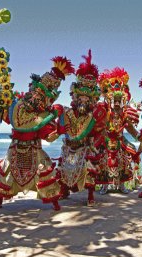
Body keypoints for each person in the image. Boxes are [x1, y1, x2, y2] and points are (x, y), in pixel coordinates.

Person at [0, 56, 74, 211]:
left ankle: (54, 201)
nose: (36, 96)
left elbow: (48, 136)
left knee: (45, 171)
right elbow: (7, 117)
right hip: (15, 148)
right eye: (35, 92)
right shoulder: (17, 106)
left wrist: (60, 129)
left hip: (34, 149)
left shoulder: (45, 115)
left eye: (42, 95)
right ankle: (0, 200)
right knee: (6, 172)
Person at [56, 50, 107, 206]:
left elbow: (100, 131)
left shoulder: (97, 114)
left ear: (92, 98)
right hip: (69, 146)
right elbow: (61, 127)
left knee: (89, 168)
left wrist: (93, 140)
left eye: (87, 97)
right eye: (81, 97)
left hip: (85, 146)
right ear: (75, 97)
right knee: (63, 167)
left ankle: (90, 195)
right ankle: (63, 190)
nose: (84, 100)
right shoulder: (68, 112)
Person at [96, 67, 140, 194]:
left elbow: (130, 127)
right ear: (109, 100)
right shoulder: (104, 111)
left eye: (118, 101)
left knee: (125, 160)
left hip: (120, 140)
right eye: (113, 101)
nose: (116, 103)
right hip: (106, 140)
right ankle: (104, 185)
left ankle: (121, 185)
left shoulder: (124, 113)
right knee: (103, 160)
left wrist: (138, 137)